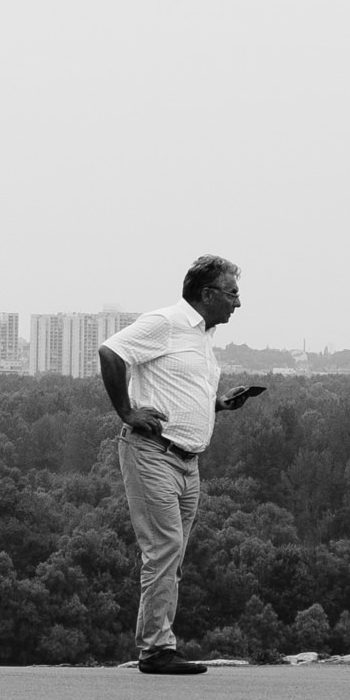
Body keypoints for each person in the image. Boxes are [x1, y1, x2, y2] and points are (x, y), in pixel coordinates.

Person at [98, 254, 259, 676]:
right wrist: (127, 413)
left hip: (188, 461)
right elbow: (110, 353)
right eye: (233, 294)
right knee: (164, 550)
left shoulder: (202, 336)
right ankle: (155, 650)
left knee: (173, 555)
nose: (237, 304)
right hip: (153, 452)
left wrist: (220, 404)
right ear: (207, 294)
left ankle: (159, 644)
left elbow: (182, 391)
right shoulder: (165, 322)